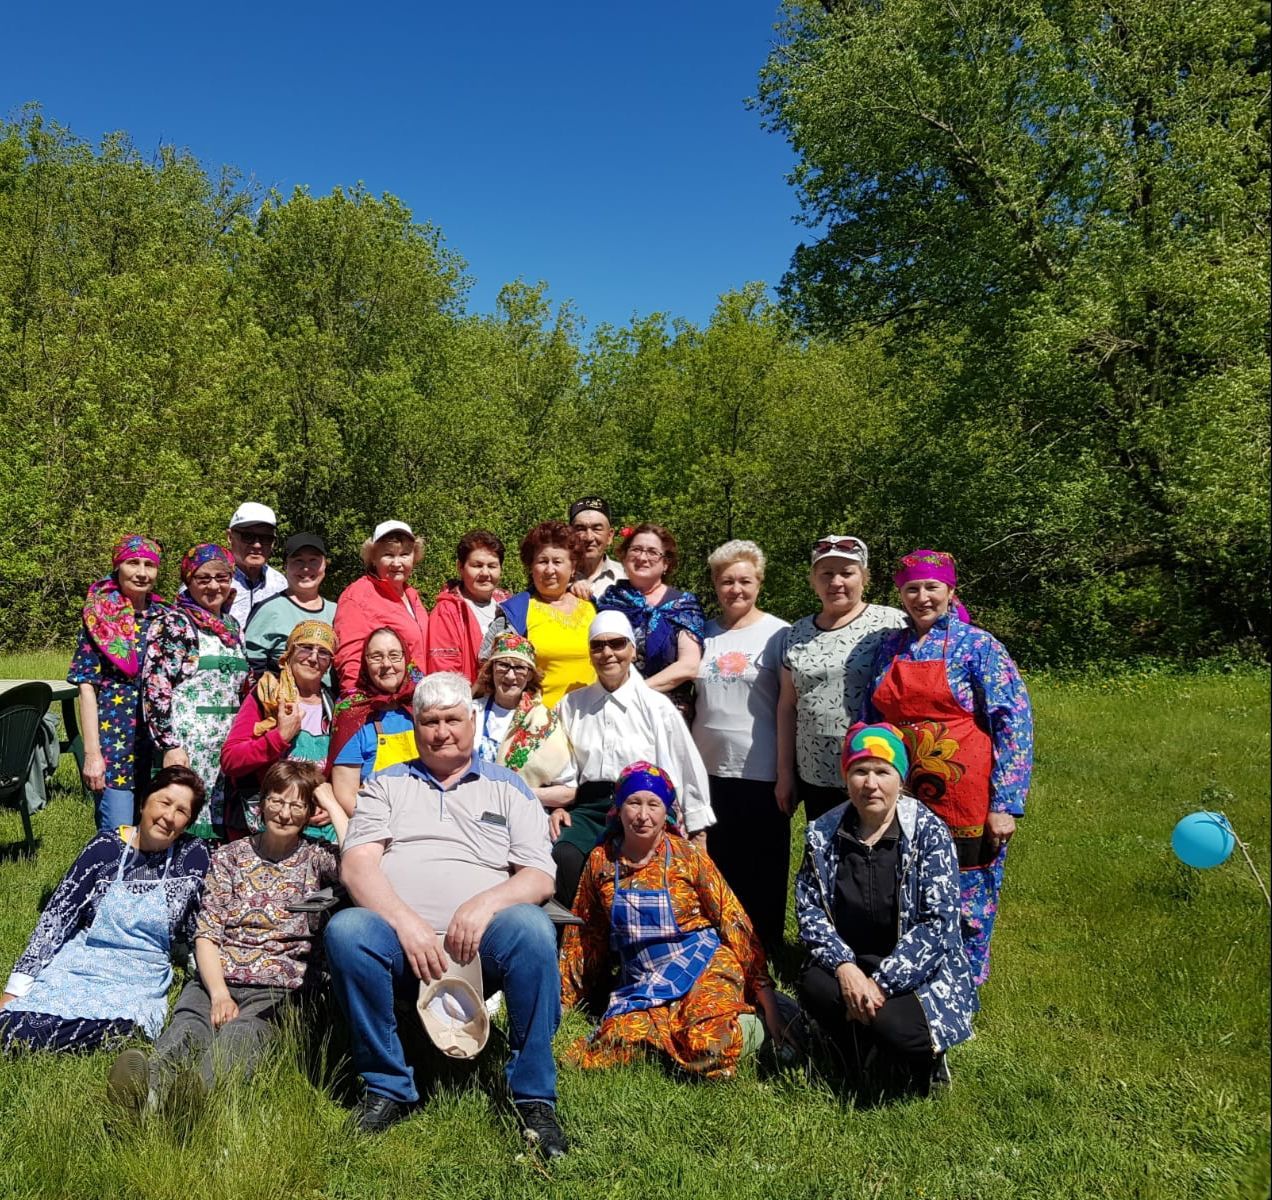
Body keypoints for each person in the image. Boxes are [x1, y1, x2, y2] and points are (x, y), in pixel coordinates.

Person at [323, 672, 568, 1157]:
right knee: (348, 929)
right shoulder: (385, 786)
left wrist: (483, 904)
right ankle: (386, 1085)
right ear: (415, 727)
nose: (441, 732)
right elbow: (357, 864)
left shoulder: (509, 786)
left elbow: (539, 876)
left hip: (485, 939)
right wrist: (403, 920)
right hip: (401, 941)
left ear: (472, 721)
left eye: (452, 719)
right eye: (429, 721)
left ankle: (533, 1096)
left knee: (533, 929)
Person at [106, 761, 346, 1107]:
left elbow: (360, 866)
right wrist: (218, 994)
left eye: (298, 805)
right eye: (277, 801)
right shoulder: (230, 856)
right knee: (188, 1028)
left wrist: (331, 800)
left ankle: (193, 1099)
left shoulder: (317, 858)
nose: (284, 812)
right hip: (216, 975)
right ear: (261, 804)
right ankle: (145, 1094)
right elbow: (207, 933)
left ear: (311, 812)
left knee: (242, 1036)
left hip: (278, 989)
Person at [863, 549, 1034, 987]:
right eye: (911, 589)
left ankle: (965, 988)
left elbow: (1013, 721)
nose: (922, 597)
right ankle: (916, 979)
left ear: (950, 591)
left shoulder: (979, 645)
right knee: (909, 888)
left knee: (968, 900)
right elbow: (870, 715)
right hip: (901, 796)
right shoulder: (889, 646)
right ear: (900, 594)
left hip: (967, 797)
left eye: (931, 587)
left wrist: (1006, 803)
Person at [560, 761, 781, 1079]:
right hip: (643, 980)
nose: (643, 815)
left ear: (667, 813)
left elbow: (733, 919)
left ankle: (761, 1020)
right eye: (633, 803)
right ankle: (674, 1027)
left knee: (708, 1043)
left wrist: (766, 995)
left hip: (703, 964)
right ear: (619, 809)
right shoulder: (601, 861)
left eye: (653, 804)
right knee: (613, 1044)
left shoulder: (687, 856)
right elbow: (585, 935)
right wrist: (565, 1000)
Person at [795, 723, 976, 1094]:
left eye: (883, 772)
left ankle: (920, 1057)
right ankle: (854, 1044)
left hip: (916, 970)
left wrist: (880, 984)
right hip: (853, 961)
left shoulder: (929, 833)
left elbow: (937, 923)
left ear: (901, 779)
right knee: (814, 985)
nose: (871, 783)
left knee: (898, 1027)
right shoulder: (823, 833)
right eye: (860, 771)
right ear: (846, 778)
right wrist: (845, 968)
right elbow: (809, 909)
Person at [0, 767, 211, 1053]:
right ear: (143, 801)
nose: (168, 816)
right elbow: (58, 915)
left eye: (181, 811)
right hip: (84, 961)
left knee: (130, 1027)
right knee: (24, 1018)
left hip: (141, 973)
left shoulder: (193, 855)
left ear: (188, 822)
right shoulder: (104, 848)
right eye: (164, 802)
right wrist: (16, 988)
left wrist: (212, 981)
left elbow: (199, 922)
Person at [545, 611, 715, 908]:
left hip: (643, 808)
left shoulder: (655, 706)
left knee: (631, 865)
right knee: (566, 855)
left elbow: (685, 766)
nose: (607, 653)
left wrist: (698, 830)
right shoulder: (572, 705)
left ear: (632, 649)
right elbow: (563, 766)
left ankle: (626, 940)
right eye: (598, 646)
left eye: (617, 643)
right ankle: (581, 937)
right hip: (591, 807)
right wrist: (559, 807)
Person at [691, 540, 791, 949]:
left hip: (761, 767)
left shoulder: (779, 634)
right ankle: (719, 942)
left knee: (762, 866)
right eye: (727, 581)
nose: (736, 589)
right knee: (718, 860)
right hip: (707, 766)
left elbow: (788, 706)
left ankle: (764, 946)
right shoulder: (702, 633)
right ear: (716, 584)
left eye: (744, 580)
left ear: (759, 582)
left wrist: (786, 774)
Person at [776, 535, 905, 822]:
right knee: (825, 857)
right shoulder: (796, 633)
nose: (836, 582)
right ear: (813, 580)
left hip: (876, 770)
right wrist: (785, 773)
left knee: (874, 858)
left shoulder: (892, 624)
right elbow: (787, 706)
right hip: (815, 773)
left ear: (864, 577)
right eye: (826, 574)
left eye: (847, 573)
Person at [142, 544, 250, 840]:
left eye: (222, 577)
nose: (214, 585)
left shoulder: (232, 627)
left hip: (226, 750)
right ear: (188, 580)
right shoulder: (175, 624)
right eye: (203, 578)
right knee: (182, 825)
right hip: (189, 748)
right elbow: (156, 689)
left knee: (223, 828)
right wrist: (169, 745)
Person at [68, 534, 168, 831]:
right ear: (118, 566)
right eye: (132, 563)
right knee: (118, 832)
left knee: (156, 831)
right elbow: (87, 686)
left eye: (149, 565)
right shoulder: (99, 617)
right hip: (115, 742)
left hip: (156, 744)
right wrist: (92, 754)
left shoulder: (166, 616)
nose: (141, 572)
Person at [220, 621, 339, 841]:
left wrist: (332, 803)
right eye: (305, 648)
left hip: (317, 829)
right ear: (290, 652)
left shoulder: (333, 706)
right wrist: (279, 737)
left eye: (323, 653)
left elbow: (340, 771)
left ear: (329, 664)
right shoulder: (267, 695)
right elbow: (230, 759)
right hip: (266, 826)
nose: (313, 658)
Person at [481, 521, 596, 708]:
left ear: (573, 567)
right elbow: (487, 665)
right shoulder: (517, 613)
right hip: (540, 724)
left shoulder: (593, 607)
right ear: (531, 567)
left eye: (558, 562)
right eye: (542, 561)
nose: (550, 570)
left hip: (593, 719)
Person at [597, 523, 705, 718]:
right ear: (624, 556)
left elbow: (689, 665)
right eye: (636, 549)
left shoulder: (682, 605)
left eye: (653, 552)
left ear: (666, 564)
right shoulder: (610, 600)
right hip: (613, 710)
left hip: (666, 713)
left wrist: (634, 693)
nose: (642, 557)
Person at [328, 627, 425, 817]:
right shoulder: (352, 713)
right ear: (365, 663)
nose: (386, 664)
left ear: (406, 659)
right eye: (376, 656)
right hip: (374, 821)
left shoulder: (425, 704)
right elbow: (346, 794)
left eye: (394, 655)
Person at [333, 521, 430, 696]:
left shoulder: (412, 595)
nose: (397, 562)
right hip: (383, 704)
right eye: (388, 555)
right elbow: (350, 659)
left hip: (418, 699)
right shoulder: (357, 596)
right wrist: (356, 705)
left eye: (404, 554)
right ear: (373, 558)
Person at [470, 632, 574, 792]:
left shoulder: (543, 721)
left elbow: (568, 790)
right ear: (491, 669)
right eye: (503, 665)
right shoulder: (471, 711)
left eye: (519, 668)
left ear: (530, 675)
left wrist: (515, 794)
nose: (510, 676)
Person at [244, 532, 338, 676]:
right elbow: (251, 667)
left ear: (325, 564)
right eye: (298, 560)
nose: (306, 568)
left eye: (314, 560)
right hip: (281, 697)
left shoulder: (338, 611)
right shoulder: (268, 610)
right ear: (285, 566)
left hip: (329, 698)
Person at [425, 530, 511, 682]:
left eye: (492, 566)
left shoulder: (510, 607)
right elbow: (444, 674)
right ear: (460, 567)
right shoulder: (448, 611)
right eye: (477, 565)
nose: (485, 573)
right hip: (468, 701)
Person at [226, 502, 287, 629]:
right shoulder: (209, 580)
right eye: (248, 536)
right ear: (230, 537)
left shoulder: (280, 584)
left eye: (266, 538)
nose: (257, 545)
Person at [568, 497, 625, 600]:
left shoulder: (626, 577)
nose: (589, 537)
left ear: (609, 536)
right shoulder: (557, 576)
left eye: (597, 529)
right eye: (581, 529)